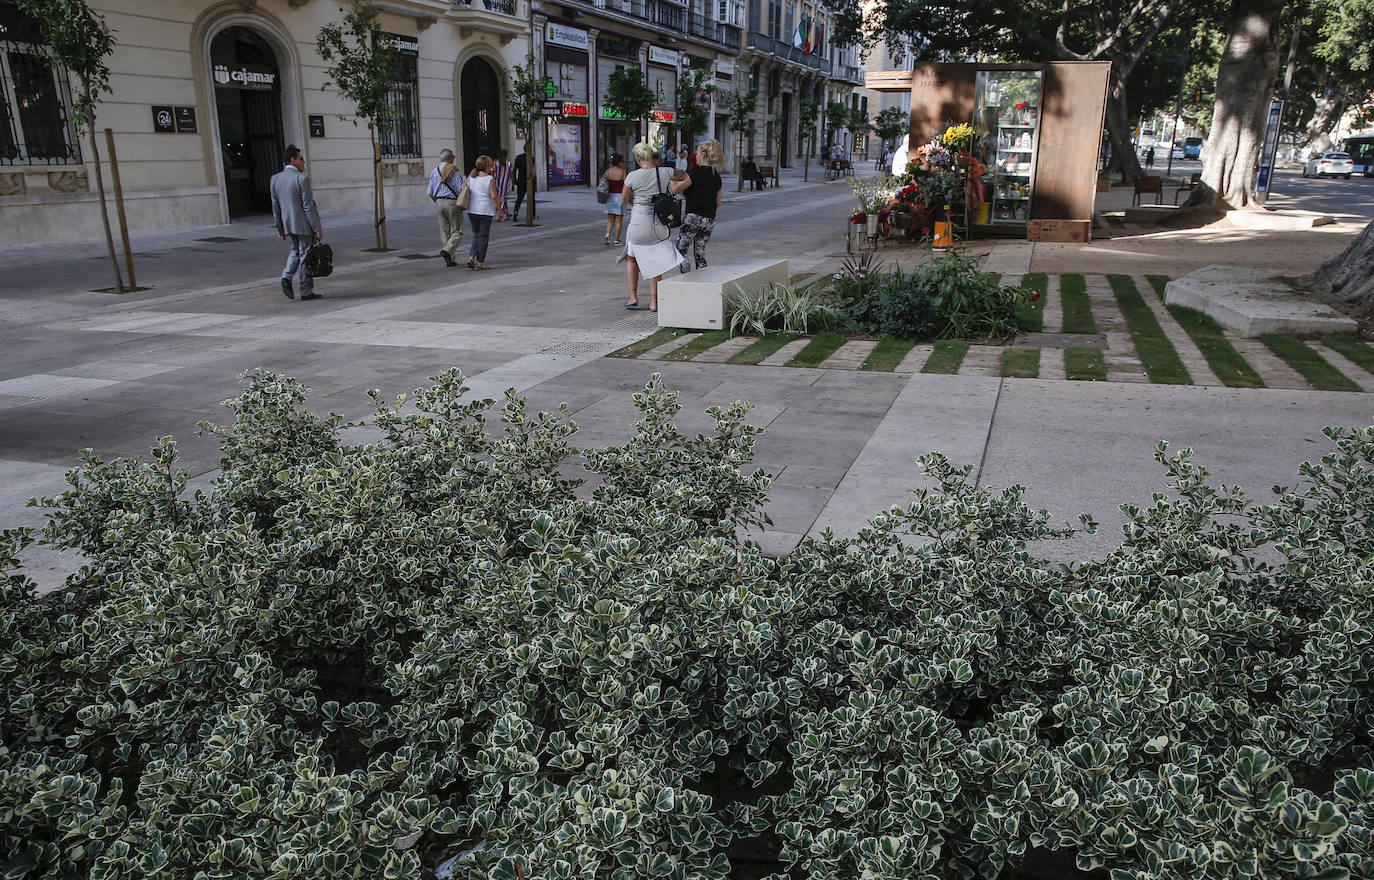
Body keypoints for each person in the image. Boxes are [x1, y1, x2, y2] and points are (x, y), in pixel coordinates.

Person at [621, 141, 684, 311]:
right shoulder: (664, 172)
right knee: (655, 262)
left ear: (637, 158)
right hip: (657, 225)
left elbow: (624, 200)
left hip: (638, 225)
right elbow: (683, 175)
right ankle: (654, 302)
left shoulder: (632, 176)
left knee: (631, 258)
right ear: (652, 156)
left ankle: (633, 297)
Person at [270, 144, 322, 300]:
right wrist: (316, 227)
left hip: (288, 224)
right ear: (293, 160)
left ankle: (286, 276)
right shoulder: (301, 178)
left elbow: (275, 206)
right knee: (305, 255)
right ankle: (306, 291)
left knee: (294, 252)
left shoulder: (275, 179)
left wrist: (279, 226)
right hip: (303, 224)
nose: (303, 162)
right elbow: (308, 205)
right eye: (301, 159)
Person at [670, 139, 723, 273]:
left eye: (698, 153)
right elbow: (719, 202)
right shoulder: (716, 175)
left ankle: (686, 279)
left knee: (680, 251)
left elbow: (676, 189)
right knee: (700, 253)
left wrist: (671, 177)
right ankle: (703, 280)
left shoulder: (694, 172)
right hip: (709, 220)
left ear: (704, 155)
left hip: (693, 218)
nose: (696, 156)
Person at [427, 148, 464, 268]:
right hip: (452, 202)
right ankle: (447, 250)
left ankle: (450, 259)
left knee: (444, 231)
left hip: (439, 201)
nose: (453, 159)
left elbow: (430, 191)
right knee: (457, 230)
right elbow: (460, 188)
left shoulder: (434, 171)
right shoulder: (454, 170)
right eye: (453, 157)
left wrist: (438, 201)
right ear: (449, 158)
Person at [465, 155, 503, 269]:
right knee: (483, 237)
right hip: (485, 211)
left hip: (472, 210)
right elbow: (494, 196)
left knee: (476, 234)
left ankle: (471, 257)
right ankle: (480, 262)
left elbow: (464, 190)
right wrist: (500, 210)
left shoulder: (470, 177)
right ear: (488, 166)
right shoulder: (489, 179)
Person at [601, 152, 628, 246]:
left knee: (610, 220)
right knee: (619, 221)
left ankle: (607, 235)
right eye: (622, 161)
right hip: (620, 197)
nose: (623, 163)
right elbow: (627, 185)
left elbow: (603, 183)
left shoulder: (607, 171)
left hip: (610, 197)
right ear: (619, 162)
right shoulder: (623, 172)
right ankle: (616, 240)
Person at [512, 149, 535, 220]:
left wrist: (514, 181)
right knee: (531, 199)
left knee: (519, 199)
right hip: (529, 180)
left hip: (521, 180)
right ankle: (532, 214)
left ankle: (515, 213)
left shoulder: (518, 158)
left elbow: (514, 170)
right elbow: (532, 170)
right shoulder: (532, 158)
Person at [492, 148, 513, 221]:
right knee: (502, 199)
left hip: (497, 184)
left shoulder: (495, 163)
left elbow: (492, 173)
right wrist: (513, 183)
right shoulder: (508, 164)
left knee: (501, 198)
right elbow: (511, 174)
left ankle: (502, 214)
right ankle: (502, 214)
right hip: (504, 184)